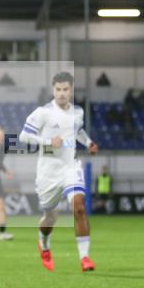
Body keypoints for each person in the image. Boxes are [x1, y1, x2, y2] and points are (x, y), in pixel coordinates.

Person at [19, 72, 98, 272]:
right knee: (50, 217)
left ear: (71, 90)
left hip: (70, 167)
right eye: (58, 89)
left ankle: (85, 258)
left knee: (79, 207)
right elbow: (24, 136)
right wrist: (48, 142)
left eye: (66, 89)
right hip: (48, 172)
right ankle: (44, 244)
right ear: (53, 90)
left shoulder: (77, 112)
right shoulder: (42, 113)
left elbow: (78, 130)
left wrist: (88, 143)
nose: (62, 93)